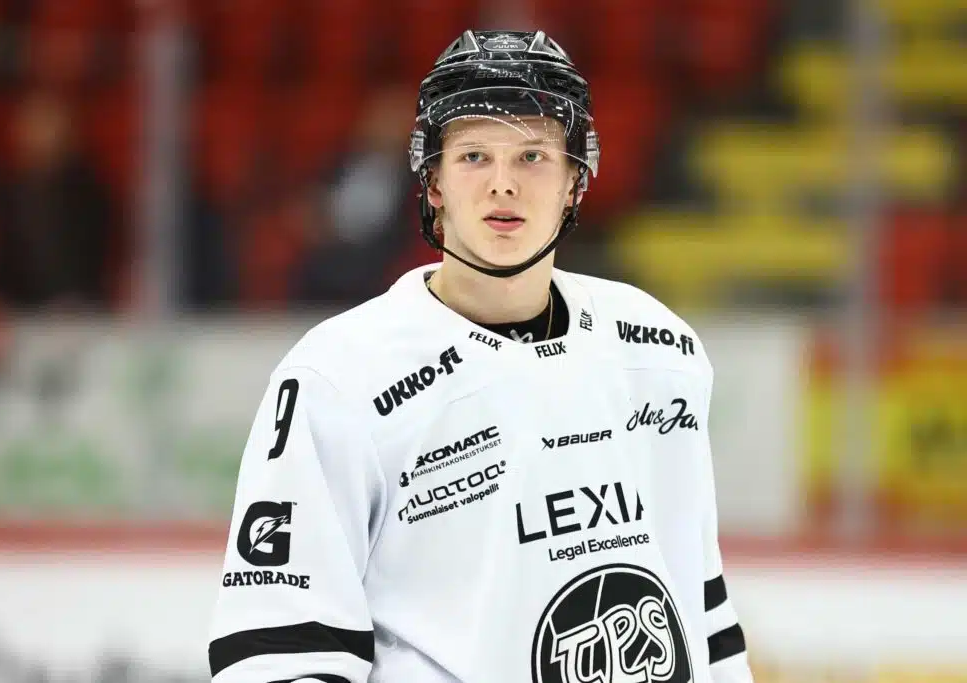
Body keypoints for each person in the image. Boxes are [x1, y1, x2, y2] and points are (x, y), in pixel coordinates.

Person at [207, 29, 754, 683]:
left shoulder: (660, 351)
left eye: (532, 157)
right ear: (433, 180)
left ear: (576, 181)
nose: (503, 185)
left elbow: (703, 613)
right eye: (473, 156)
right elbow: (280, 654)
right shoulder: (339, 379)